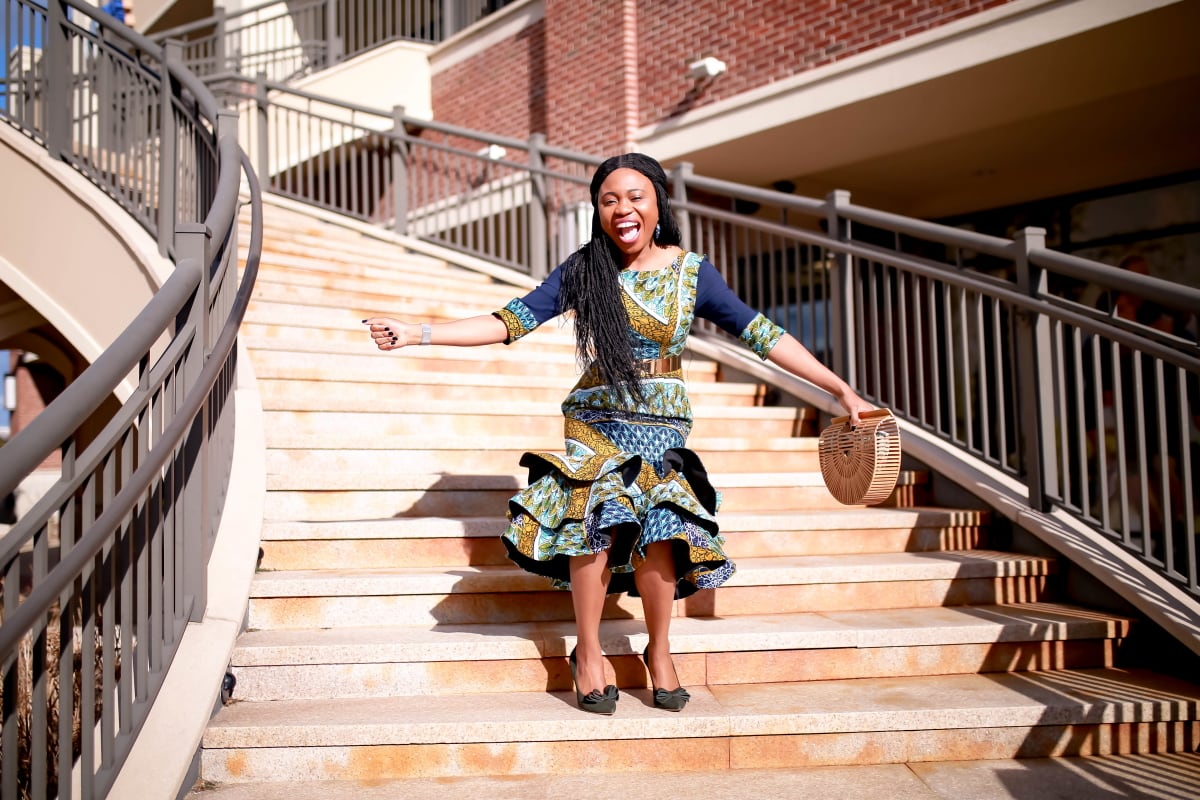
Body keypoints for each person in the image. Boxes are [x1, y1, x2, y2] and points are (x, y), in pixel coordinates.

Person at [363, 153, 870, 714]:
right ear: (598, 211)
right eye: (609, 200)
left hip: (663, 418)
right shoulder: (585, 269)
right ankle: (588, 653)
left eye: (635, 197)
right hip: (597, 416)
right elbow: (509, 321)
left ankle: (659, 651)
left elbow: (762, 334)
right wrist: (418, 332)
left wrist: (838, 390)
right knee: (597, 518)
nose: (622, 209)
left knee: (660, 527)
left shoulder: (692, 272)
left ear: (657, 204)